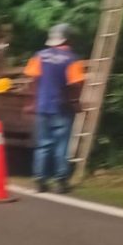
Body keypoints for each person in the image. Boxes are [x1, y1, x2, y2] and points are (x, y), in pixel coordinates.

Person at [23, 23, 85, 194]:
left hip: (42, 106)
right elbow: (76, 84)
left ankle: (39, 181)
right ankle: (60, 181)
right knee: (61, 145)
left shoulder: (39, 56)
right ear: (69, 39)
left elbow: (32, 81)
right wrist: (75, 102)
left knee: (43, 144)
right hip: (62, 108)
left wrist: (32, 103)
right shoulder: (72, 59)